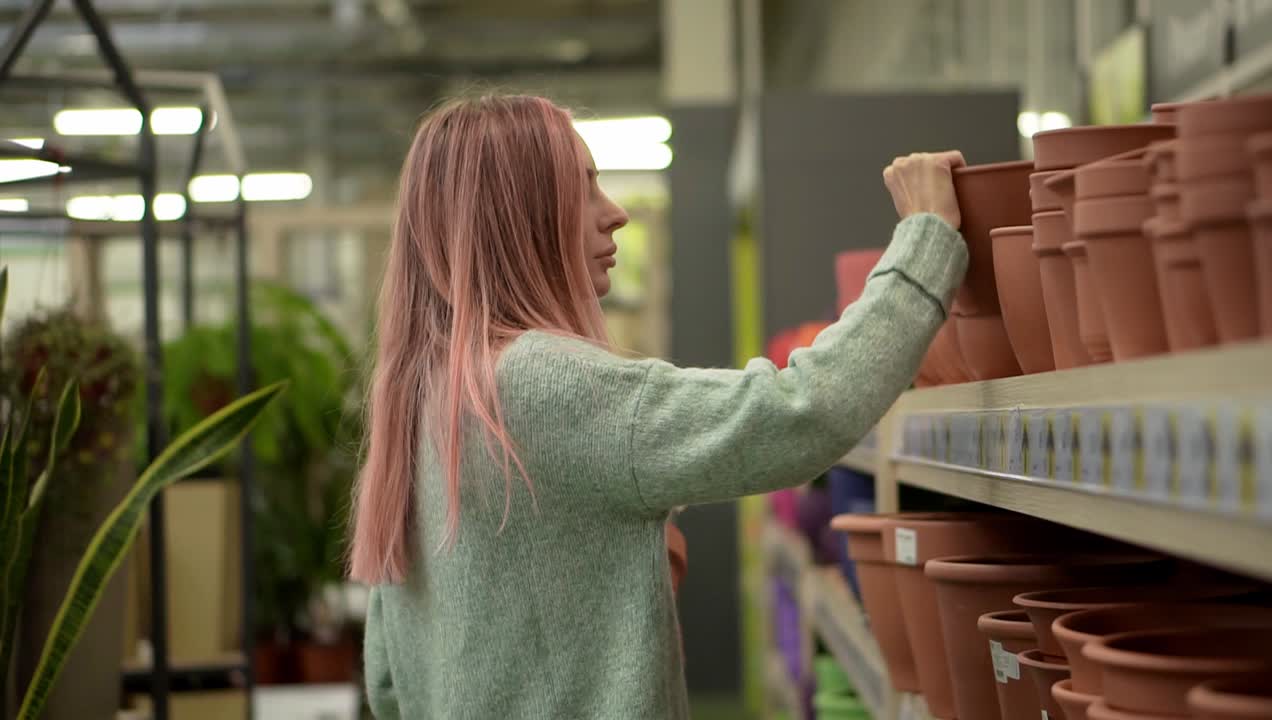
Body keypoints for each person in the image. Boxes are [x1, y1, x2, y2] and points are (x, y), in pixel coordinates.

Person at [350, 93, 968, 720]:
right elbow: (802, 411)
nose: (614, 214)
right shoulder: (543, 383)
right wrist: (926, 241)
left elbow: (388, 678)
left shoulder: (424, 395)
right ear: (517, 217)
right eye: (581, 188)